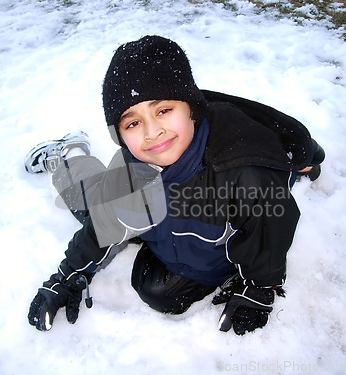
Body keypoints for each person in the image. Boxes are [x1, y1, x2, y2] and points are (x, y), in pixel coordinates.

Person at [26, 35, 325, 335]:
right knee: (92, 204)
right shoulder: (132, 169)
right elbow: (100, 230)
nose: (153, 132)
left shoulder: (244, 175)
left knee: (159, 291)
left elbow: (270, 232)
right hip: (158, 218)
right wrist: (67, 276)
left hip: (206, 239)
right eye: (132, 123)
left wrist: (259, 289)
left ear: (191, 109)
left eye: (163, 110)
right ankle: (68, 153)